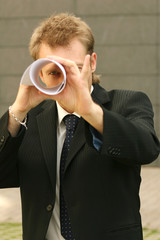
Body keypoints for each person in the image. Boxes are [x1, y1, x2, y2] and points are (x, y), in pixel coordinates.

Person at [0, 13, 159, 240]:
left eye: (73, 69)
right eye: (55, 71)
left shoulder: (127, 103)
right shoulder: (31, 119)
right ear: (39, 72)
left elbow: (147, 149)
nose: (65, 80)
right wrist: (18, 110)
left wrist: (90, 112)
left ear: (92, 62)